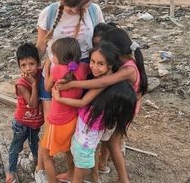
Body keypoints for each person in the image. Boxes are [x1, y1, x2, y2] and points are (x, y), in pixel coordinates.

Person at [56, 27, 148, 183]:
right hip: (122, 107)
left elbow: (103, 82)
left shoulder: (128, 69)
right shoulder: (128, 62)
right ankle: (103, 166)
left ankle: (123, 179)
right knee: (109, 141)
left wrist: (72, 84)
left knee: (113, 143)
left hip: (122, 110)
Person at [35, 0, 104, 181]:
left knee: (80, 125)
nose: (78, 11)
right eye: (74, 7)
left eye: (83, 5)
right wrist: (31, 70)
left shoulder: (94, 11)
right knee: (53, 122)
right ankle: (43, 168)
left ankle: (78, 170)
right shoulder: (48, 14)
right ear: (64, 0)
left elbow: (101, 42)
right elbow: (40, 47)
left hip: (85, 73)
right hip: (55, 74)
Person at [38, 37, 89, 183]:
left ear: (59, 56)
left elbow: (47, 88)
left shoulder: (57, 69)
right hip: (73, 117)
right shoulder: (83, 68)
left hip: (58, 120)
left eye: (53, 55)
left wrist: (47, 67)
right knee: (68, 149)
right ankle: (71, 174)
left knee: (46, 155)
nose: (52, 57)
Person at [6, 43, 44, 183]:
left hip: (35, 122)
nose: (28, 68)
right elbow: (33, 104)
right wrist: (33, 85)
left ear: (38, 63)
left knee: (35, 143)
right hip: (22, 123)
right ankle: (12, 171)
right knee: (15, 147)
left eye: (31, 64)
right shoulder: (22, 84)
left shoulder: (41, 73)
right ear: (19, 66)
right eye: (23, 65)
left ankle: (38, 165)